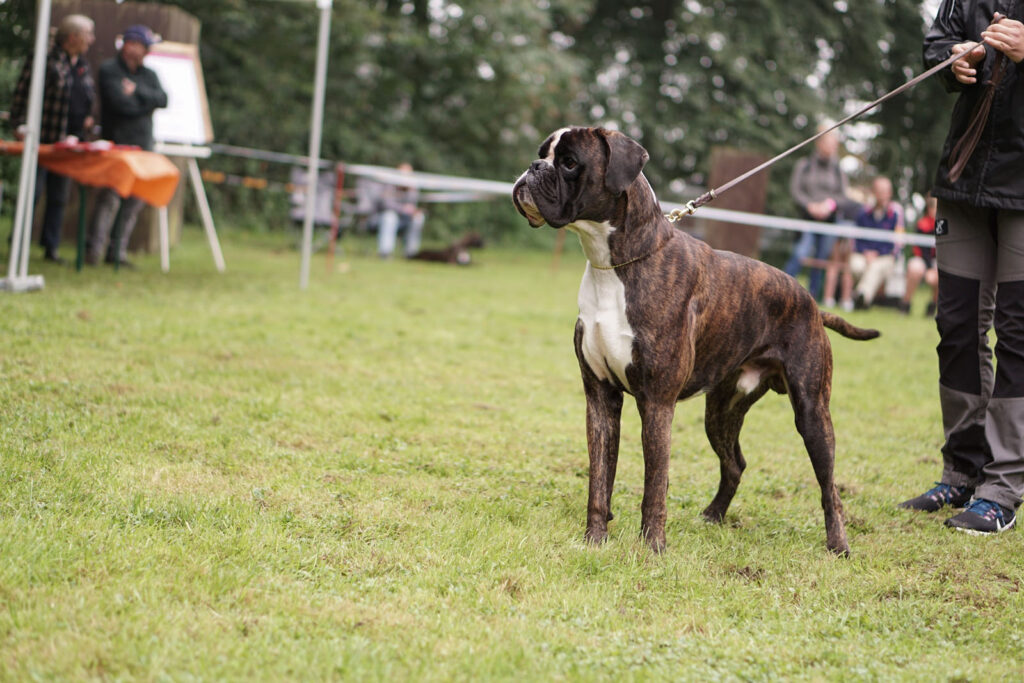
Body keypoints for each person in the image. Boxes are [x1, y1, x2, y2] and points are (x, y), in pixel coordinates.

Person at [899, 3, 1024, 534]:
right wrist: (955, 59)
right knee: (956, 325)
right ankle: (963, 469)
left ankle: (1005, 484)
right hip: (964, 177)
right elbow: (936, 42)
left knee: (1018, 331)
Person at [9, 14, 96, 264]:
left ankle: (51, 247)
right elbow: (22, 94)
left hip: (70, 143)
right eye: (88, 34)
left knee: (59, 197)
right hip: (44, 139)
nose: (91, 40)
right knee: (32, 193)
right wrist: (19, 124)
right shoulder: (44, 59)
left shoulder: (81, 64)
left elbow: (84, 96)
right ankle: (19, 243)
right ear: (73, 37)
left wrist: (86, 119)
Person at [86, 25, 167, 268]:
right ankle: (93, 250)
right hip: (118, 144)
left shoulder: (148, 75)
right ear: (130, 45)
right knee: (110, 197)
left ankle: (117, 252)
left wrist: (137, 93)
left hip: (143, 145)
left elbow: (163, 99)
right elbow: (120, 105)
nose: (147, 52)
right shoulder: (110, 69)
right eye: (144, 46)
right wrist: (145, 104)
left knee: (135, 200)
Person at [783, 125, 850, 302]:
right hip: (807, 219)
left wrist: (829, 205)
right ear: (819, 143)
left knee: (821, 260)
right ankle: (782, 291)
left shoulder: (838, 170)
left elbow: (843, 197)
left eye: (834, 144)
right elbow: (795, 190)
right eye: (828, 143)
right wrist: (810, 205)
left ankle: (812, 300)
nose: (832, 147)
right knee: (800, 253)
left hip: (829, 221)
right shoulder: (804, 165)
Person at [843, 176, 904, 310]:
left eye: (885, 191)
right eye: (879, 191)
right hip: (863, 254)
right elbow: (856, 238)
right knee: (856, 265)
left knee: (875, 267)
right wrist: (866, 252)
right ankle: (862, 298)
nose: (882, 195)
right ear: (873, 192)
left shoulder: (895, 214)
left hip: (885, 256)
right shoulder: (863, 213)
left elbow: (897, 244)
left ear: (890, 193)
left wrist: (877, 253)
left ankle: (861, 297)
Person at [898, 195, 939, 316]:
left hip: (938, 261)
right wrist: (929, 267)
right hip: (923, 260)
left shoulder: (946, 226)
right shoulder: (923, 225)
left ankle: (933, 305)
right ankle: (905, 304)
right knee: (915, 268)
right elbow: (919, 249)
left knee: (941, 274)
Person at [376, 162, 425, 259]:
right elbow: (386, 203)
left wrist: (413, 210)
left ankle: (411, 253)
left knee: (419, 218)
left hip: (405, 219)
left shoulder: (412, 188)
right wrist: (402, 209)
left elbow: (413, 204)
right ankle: (385, 252)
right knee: (390, 217)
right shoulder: (389, 185)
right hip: (382, 217)